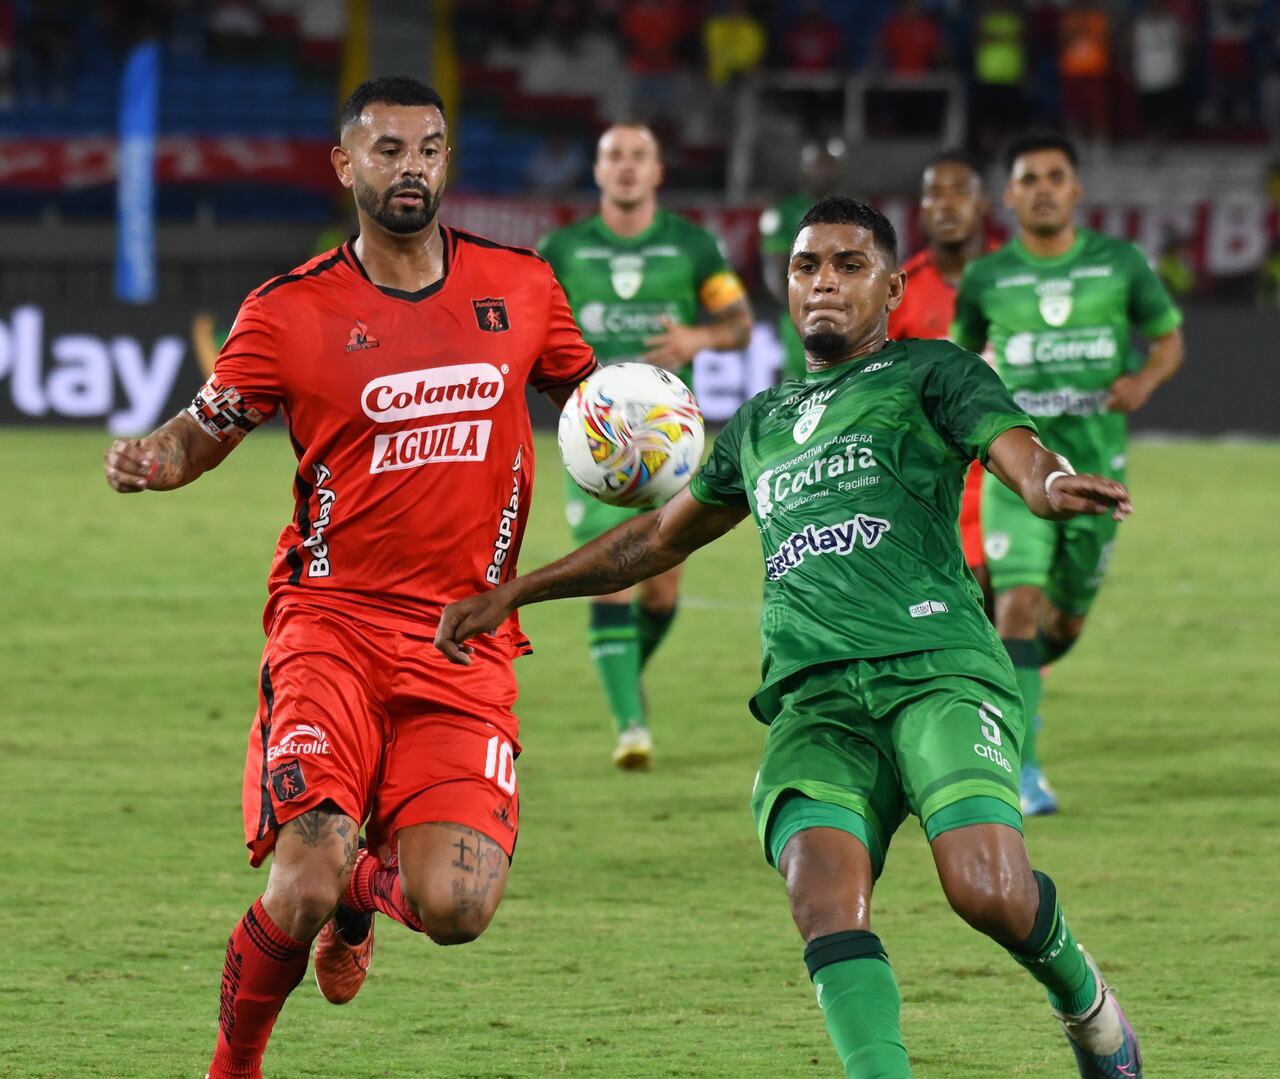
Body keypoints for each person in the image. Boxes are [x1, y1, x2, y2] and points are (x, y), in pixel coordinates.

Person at [437, 196, 1143, 1079]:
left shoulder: (934, 373)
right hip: (815, 700)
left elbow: (1018, 453)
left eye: (849, 265)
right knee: (821, 893)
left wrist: (1051, 484)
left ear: (891, 287)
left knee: (989, 890)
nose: (824, 282)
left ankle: (1092, 1011)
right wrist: (518, 591)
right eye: (808, 264)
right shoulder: (762, 424)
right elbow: (657, 539)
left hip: (936, 673)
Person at [102, 77, 597, 1079]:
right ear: (345, 165)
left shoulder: (525, 287)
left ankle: (364, 900)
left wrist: (638, 429)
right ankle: (232, 1063)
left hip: (465, 633)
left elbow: (590, 404)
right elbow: (205, 429)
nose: (408, 166)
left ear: (446, 162)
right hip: (329, 623)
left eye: (427, 148)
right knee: (305, 871)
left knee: (458, 909)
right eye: (386, 149)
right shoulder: (288, 311)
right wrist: (154, 456)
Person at [951, 132, 1184, 815]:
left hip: (1098, 471)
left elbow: (1169, 339)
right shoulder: (989, 278)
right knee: (1015, 603)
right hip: (1017, 471)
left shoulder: (1119, 264)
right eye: (1030, 178)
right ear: (1010, 195)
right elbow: (961, 363)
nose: (1044, 187)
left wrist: (1144, 379)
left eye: (1056, 176)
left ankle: (1024, 693)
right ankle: (1020, 772)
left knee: (1065, 622)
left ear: (1076, 189)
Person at [539, 122, 752, 769]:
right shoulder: (563, 249)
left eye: (639, 156)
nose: (626, 167)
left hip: (672, 451)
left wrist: (696, 340)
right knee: (610, 580)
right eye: (613, 157)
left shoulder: (691, 246)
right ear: (597, 172)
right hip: (595, 443)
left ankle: (626, 676)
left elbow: (740, 325)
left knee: (659, 591)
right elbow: (531, 327)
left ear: (657, 171)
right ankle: (630, 725)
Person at [889, 150, 995, 614]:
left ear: (983, 204)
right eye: (935, 194)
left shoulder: (1012, 278)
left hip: (1014, 460)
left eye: (960, 192)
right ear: (922, 210)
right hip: (941, 475)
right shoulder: (900, 291)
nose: (948, 204)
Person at [759, 137, 844, 381]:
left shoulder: (854, 209)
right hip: (801, 313)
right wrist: (799, 310)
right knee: (801, 383)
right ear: (806, 167)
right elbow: (773, 271)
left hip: (843, 312)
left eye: (829, 164)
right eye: (818, 164)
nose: (824, 171)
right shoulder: (784, 213)